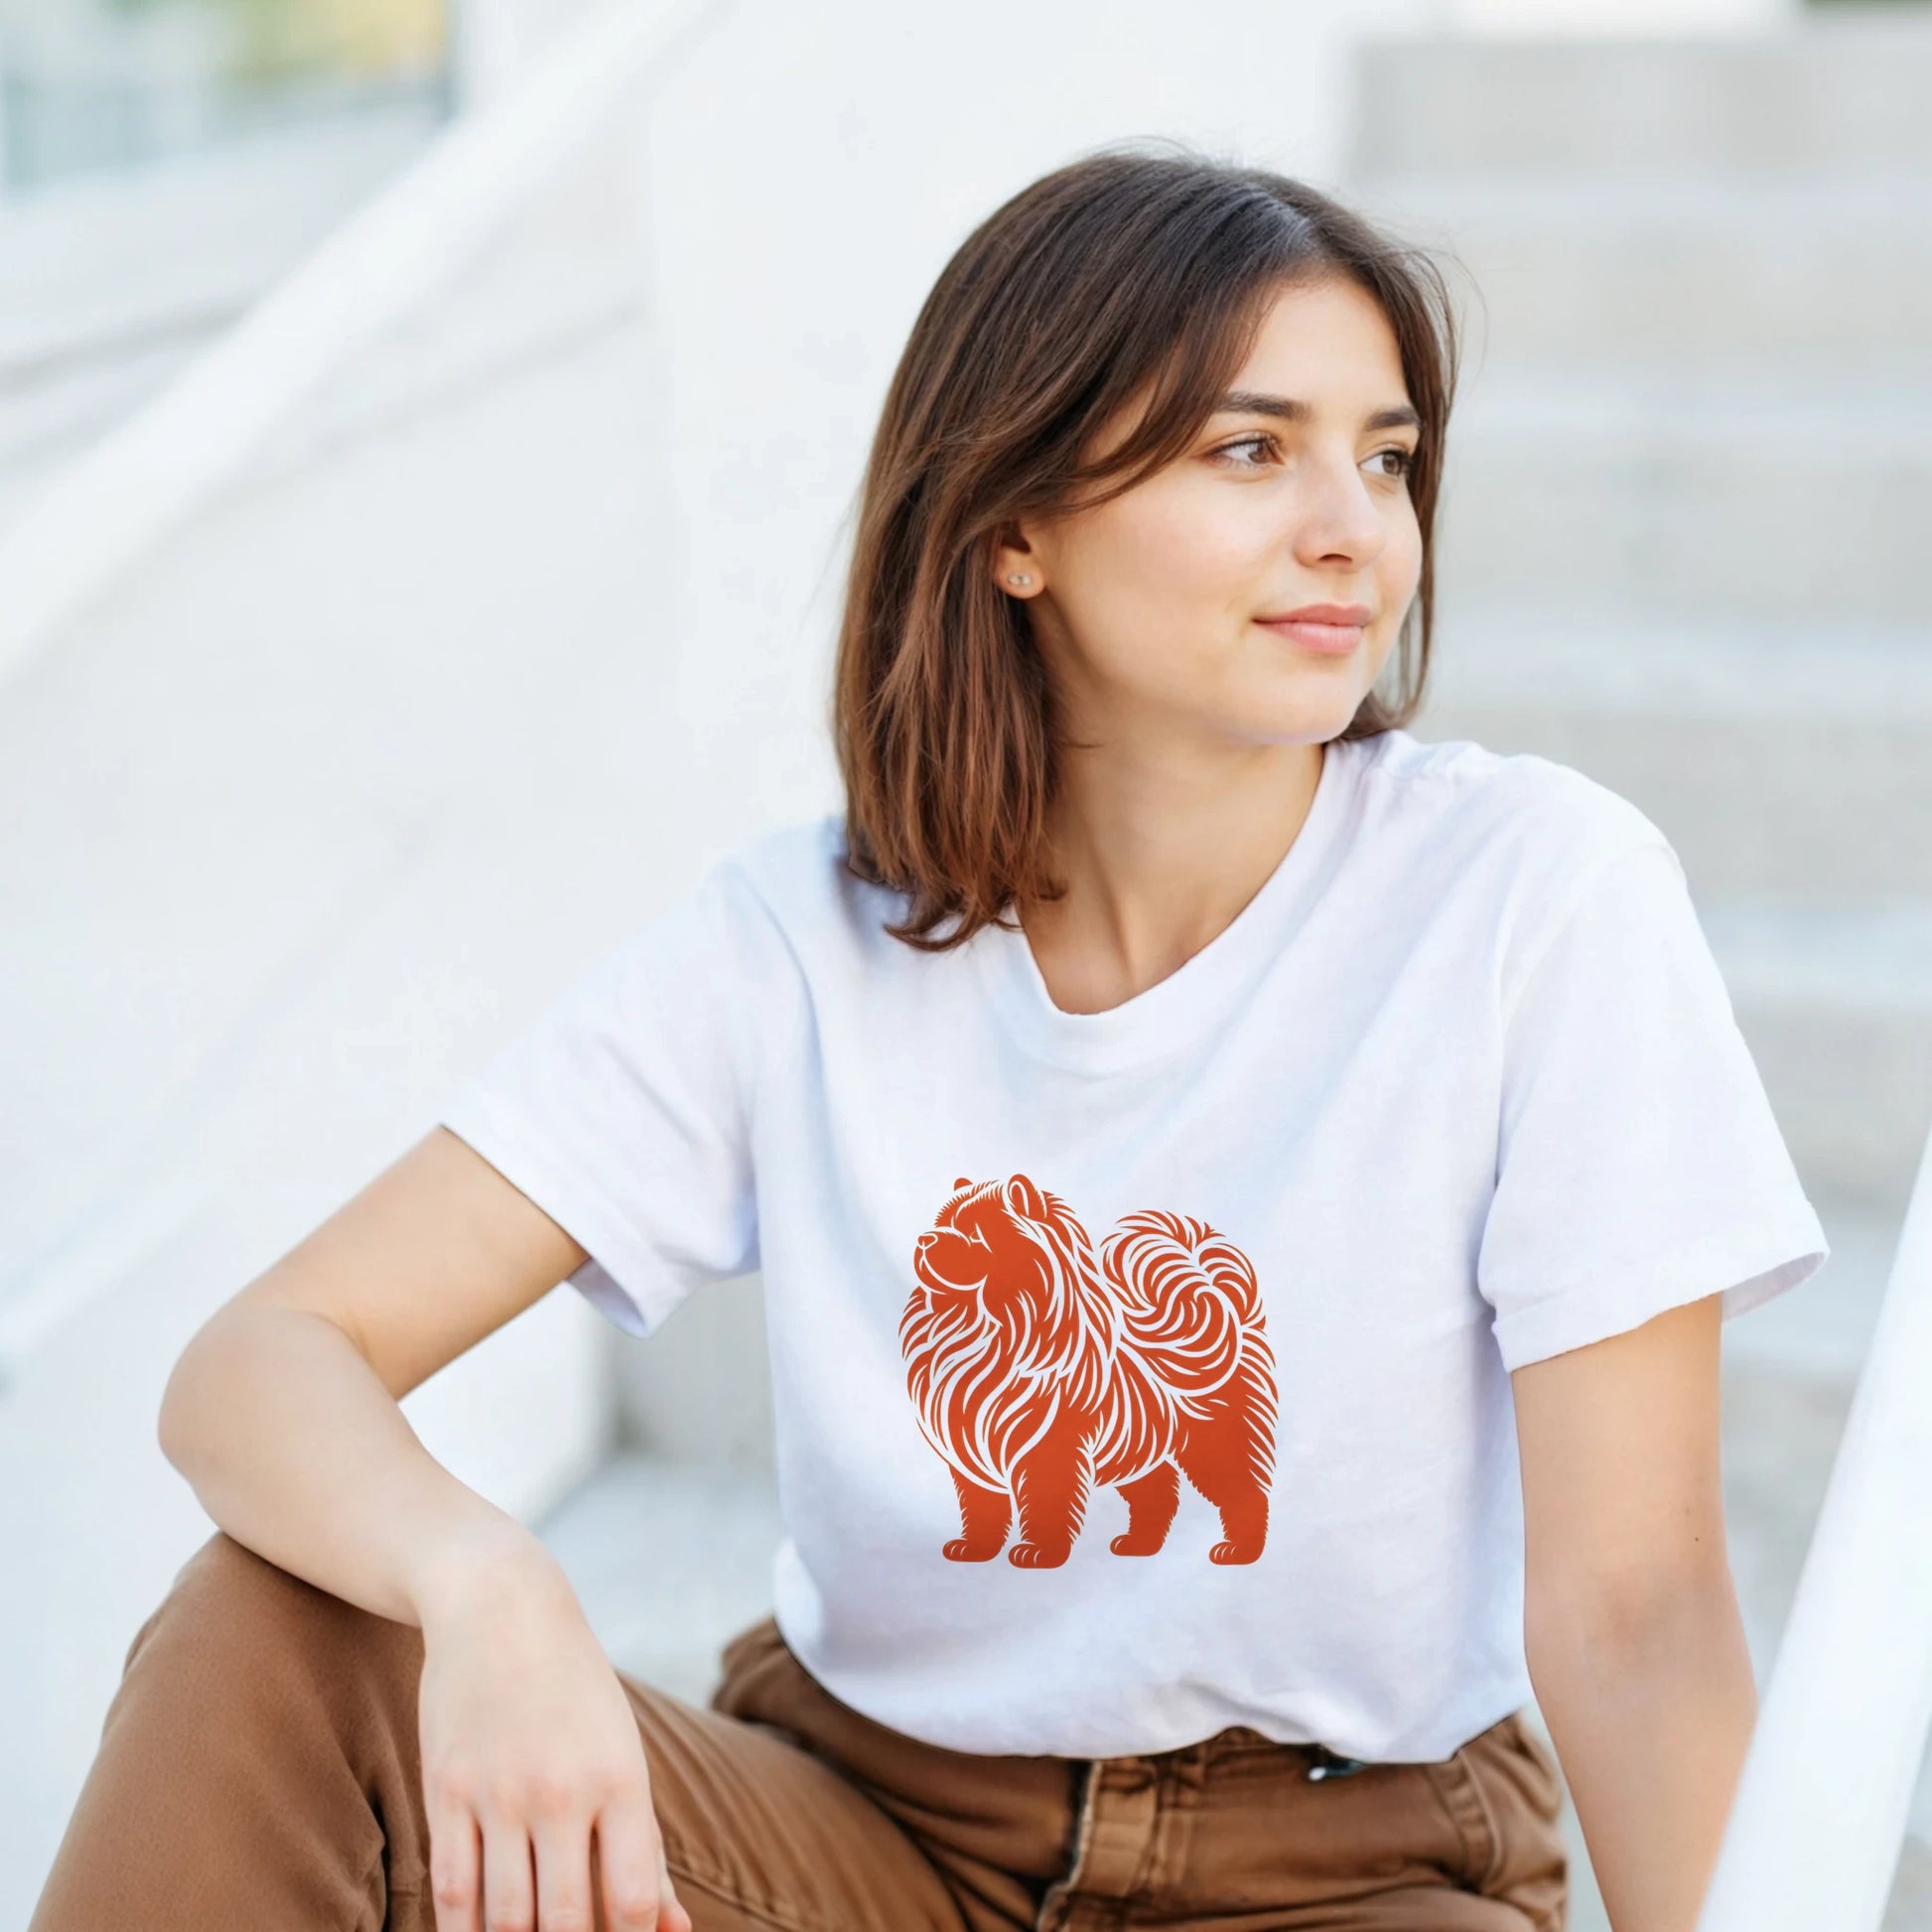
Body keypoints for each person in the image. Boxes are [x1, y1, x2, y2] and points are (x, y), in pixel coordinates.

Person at [30, 143, 1830, 1932]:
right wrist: (482, 1575)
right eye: (1248, 448)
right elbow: (262, 1354)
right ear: (1012, 524)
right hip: (863, 1830)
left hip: (1343, 1866)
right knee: (275, 1631)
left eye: (1386, 457)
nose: (1352, 527)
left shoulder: (1531, 898)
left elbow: (1635, 1609)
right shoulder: (798, 943)